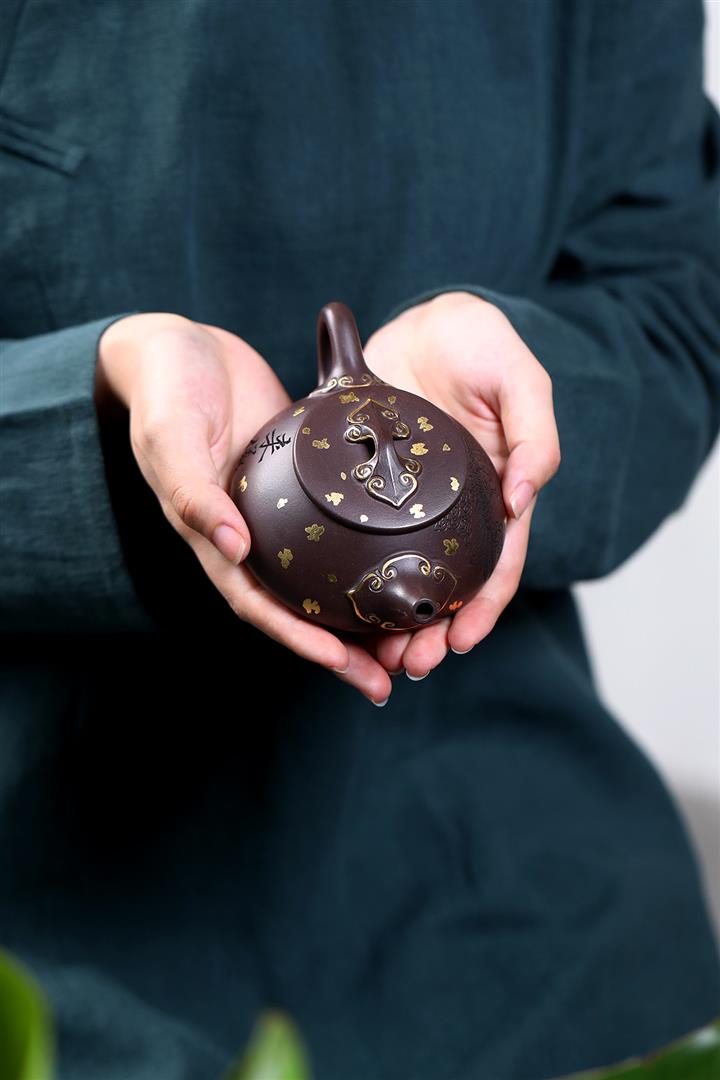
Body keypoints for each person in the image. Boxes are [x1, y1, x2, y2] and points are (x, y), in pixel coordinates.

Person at [1, 1, 719, 1077]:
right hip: (55, 940)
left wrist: (517, 401)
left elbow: (675, 296)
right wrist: (97, 407)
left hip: (523, 920)